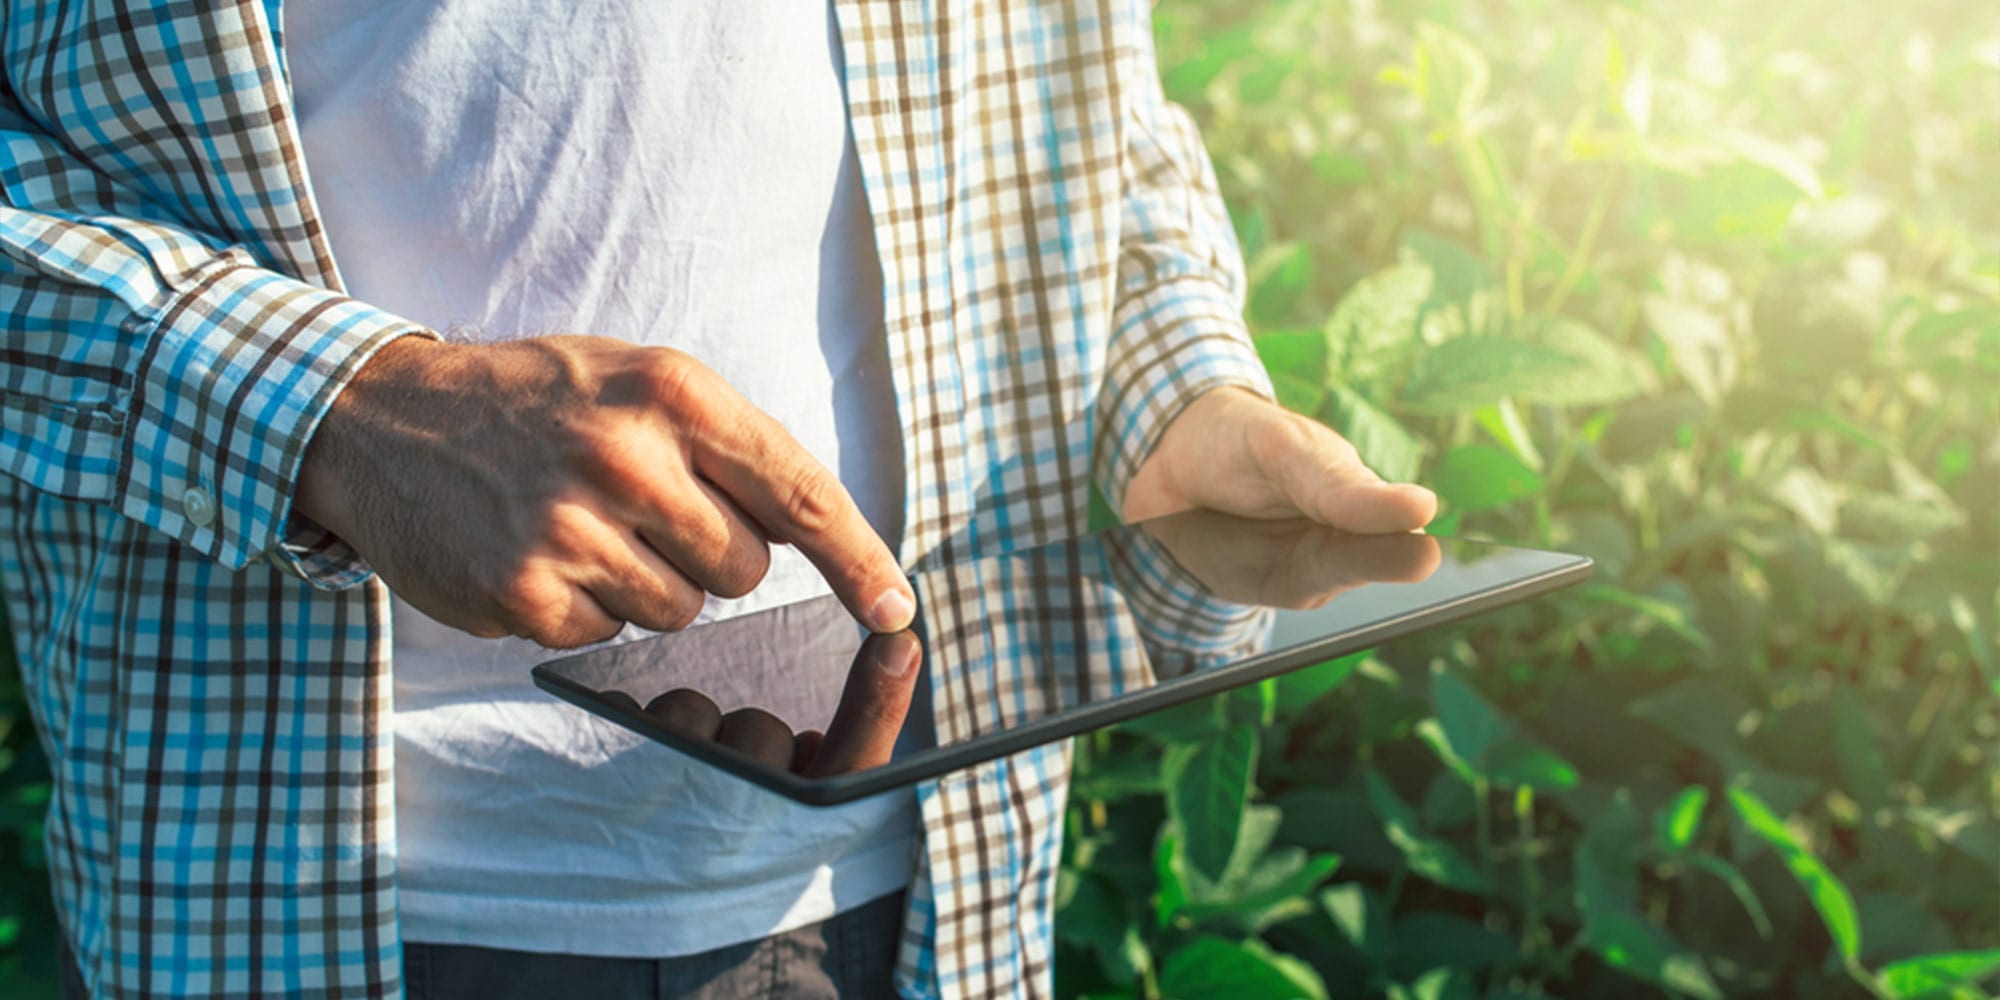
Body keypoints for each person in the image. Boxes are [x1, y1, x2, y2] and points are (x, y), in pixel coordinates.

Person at [0, 2, 1436, 997]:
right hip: (336, 909)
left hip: (929, 897)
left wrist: (1171, 387)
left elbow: (1081, 110)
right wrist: (338, 411)